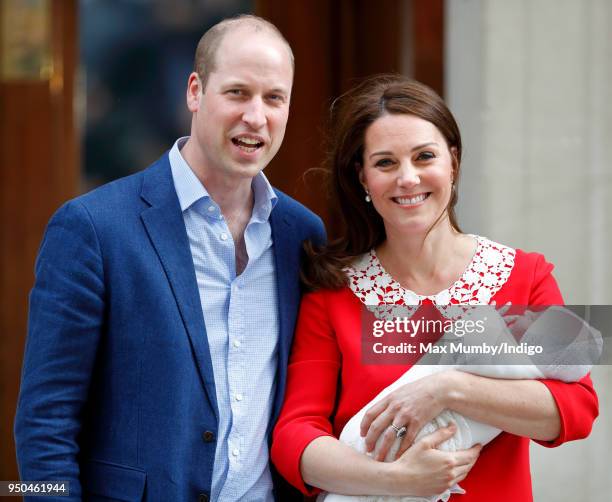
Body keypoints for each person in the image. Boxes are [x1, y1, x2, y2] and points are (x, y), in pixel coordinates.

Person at [14, 15, 325, 501]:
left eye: (274, 98)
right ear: (195, 91)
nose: (256, 116)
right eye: (238, 93)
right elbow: (45, 420)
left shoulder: (302, 236)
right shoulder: (94, 228)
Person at [271, 74, 598, 501]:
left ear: (453, 163)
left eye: (424, 156)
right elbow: (294, 437)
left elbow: (576, 410)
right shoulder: (334, 291)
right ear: (363, 178)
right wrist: (397, 480)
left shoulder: (523, 274)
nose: (407, 178)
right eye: (385, 163)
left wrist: (447, 389)